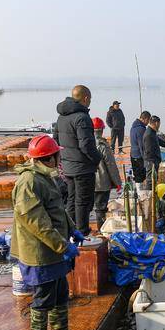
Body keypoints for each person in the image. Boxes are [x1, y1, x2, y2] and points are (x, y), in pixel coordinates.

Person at [10, 135, 85, 330]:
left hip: (54, 250)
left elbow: (58, 210)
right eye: (57, 155)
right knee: (44, 296)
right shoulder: (28, 182)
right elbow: (37, 223)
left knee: (60, 291)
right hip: (40, 253)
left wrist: (72, 229)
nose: (60, 159)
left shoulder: (45, 177)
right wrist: (63, 246)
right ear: (48, 158)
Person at [56, 85, 102, 236]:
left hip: (68, 167)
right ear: (86, 98)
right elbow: (86, 145)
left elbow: (56, 141)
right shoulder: (82, 117)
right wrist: (97, 159)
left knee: (72, 199)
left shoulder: (61, 116)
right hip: (83, 167)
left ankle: (70, 230)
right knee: (83, 201)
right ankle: (82, 232)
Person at [92, 117, 121, 232]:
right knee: (101, 209)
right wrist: (118, 183)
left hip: (88, 181)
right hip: (101, 183)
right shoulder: (102, 145)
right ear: (102, 130)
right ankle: (102, 230)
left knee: (87, 208)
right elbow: (111, 166)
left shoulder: (83, 143)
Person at [142, 115, 165, 191]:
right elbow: (148, 151)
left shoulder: (152, 132)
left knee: (154, 180)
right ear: (156, 123)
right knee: (150, 180)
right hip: (151, 161)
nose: (159, 126)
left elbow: (159, 141)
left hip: (154, 161)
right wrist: (154, 161)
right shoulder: (149, 134)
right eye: (159, 124)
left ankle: (152, 195)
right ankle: (149, 197)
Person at [129, 110, 151, 186]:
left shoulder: (133, 127)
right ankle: (141, 195)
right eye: (148, 120)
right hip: (139, 157)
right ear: (145, 119)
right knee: (141, 178)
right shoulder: (141, 129)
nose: (148, 123)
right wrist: (146, 160)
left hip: (133, 155)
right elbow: (142, 146)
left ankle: (138, 192)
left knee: (137, 176)